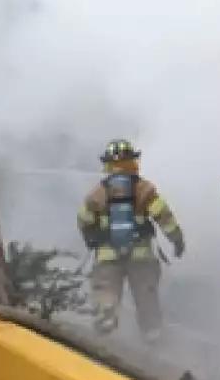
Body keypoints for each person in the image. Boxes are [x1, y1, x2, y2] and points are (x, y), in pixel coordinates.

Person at [76, 139, 186, 344]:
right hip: (141, 253)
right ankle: (152, 331)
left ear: (107, 164)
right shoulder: (144, 189)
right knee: (146, 293)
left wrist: (91, 239)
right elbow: (164, 216)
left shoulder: (98, 193)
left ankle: (106, 322)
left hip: (108, 255)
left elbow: (84, 220)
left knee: (106, 289)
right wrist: (177, 241)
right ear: (133, 162)